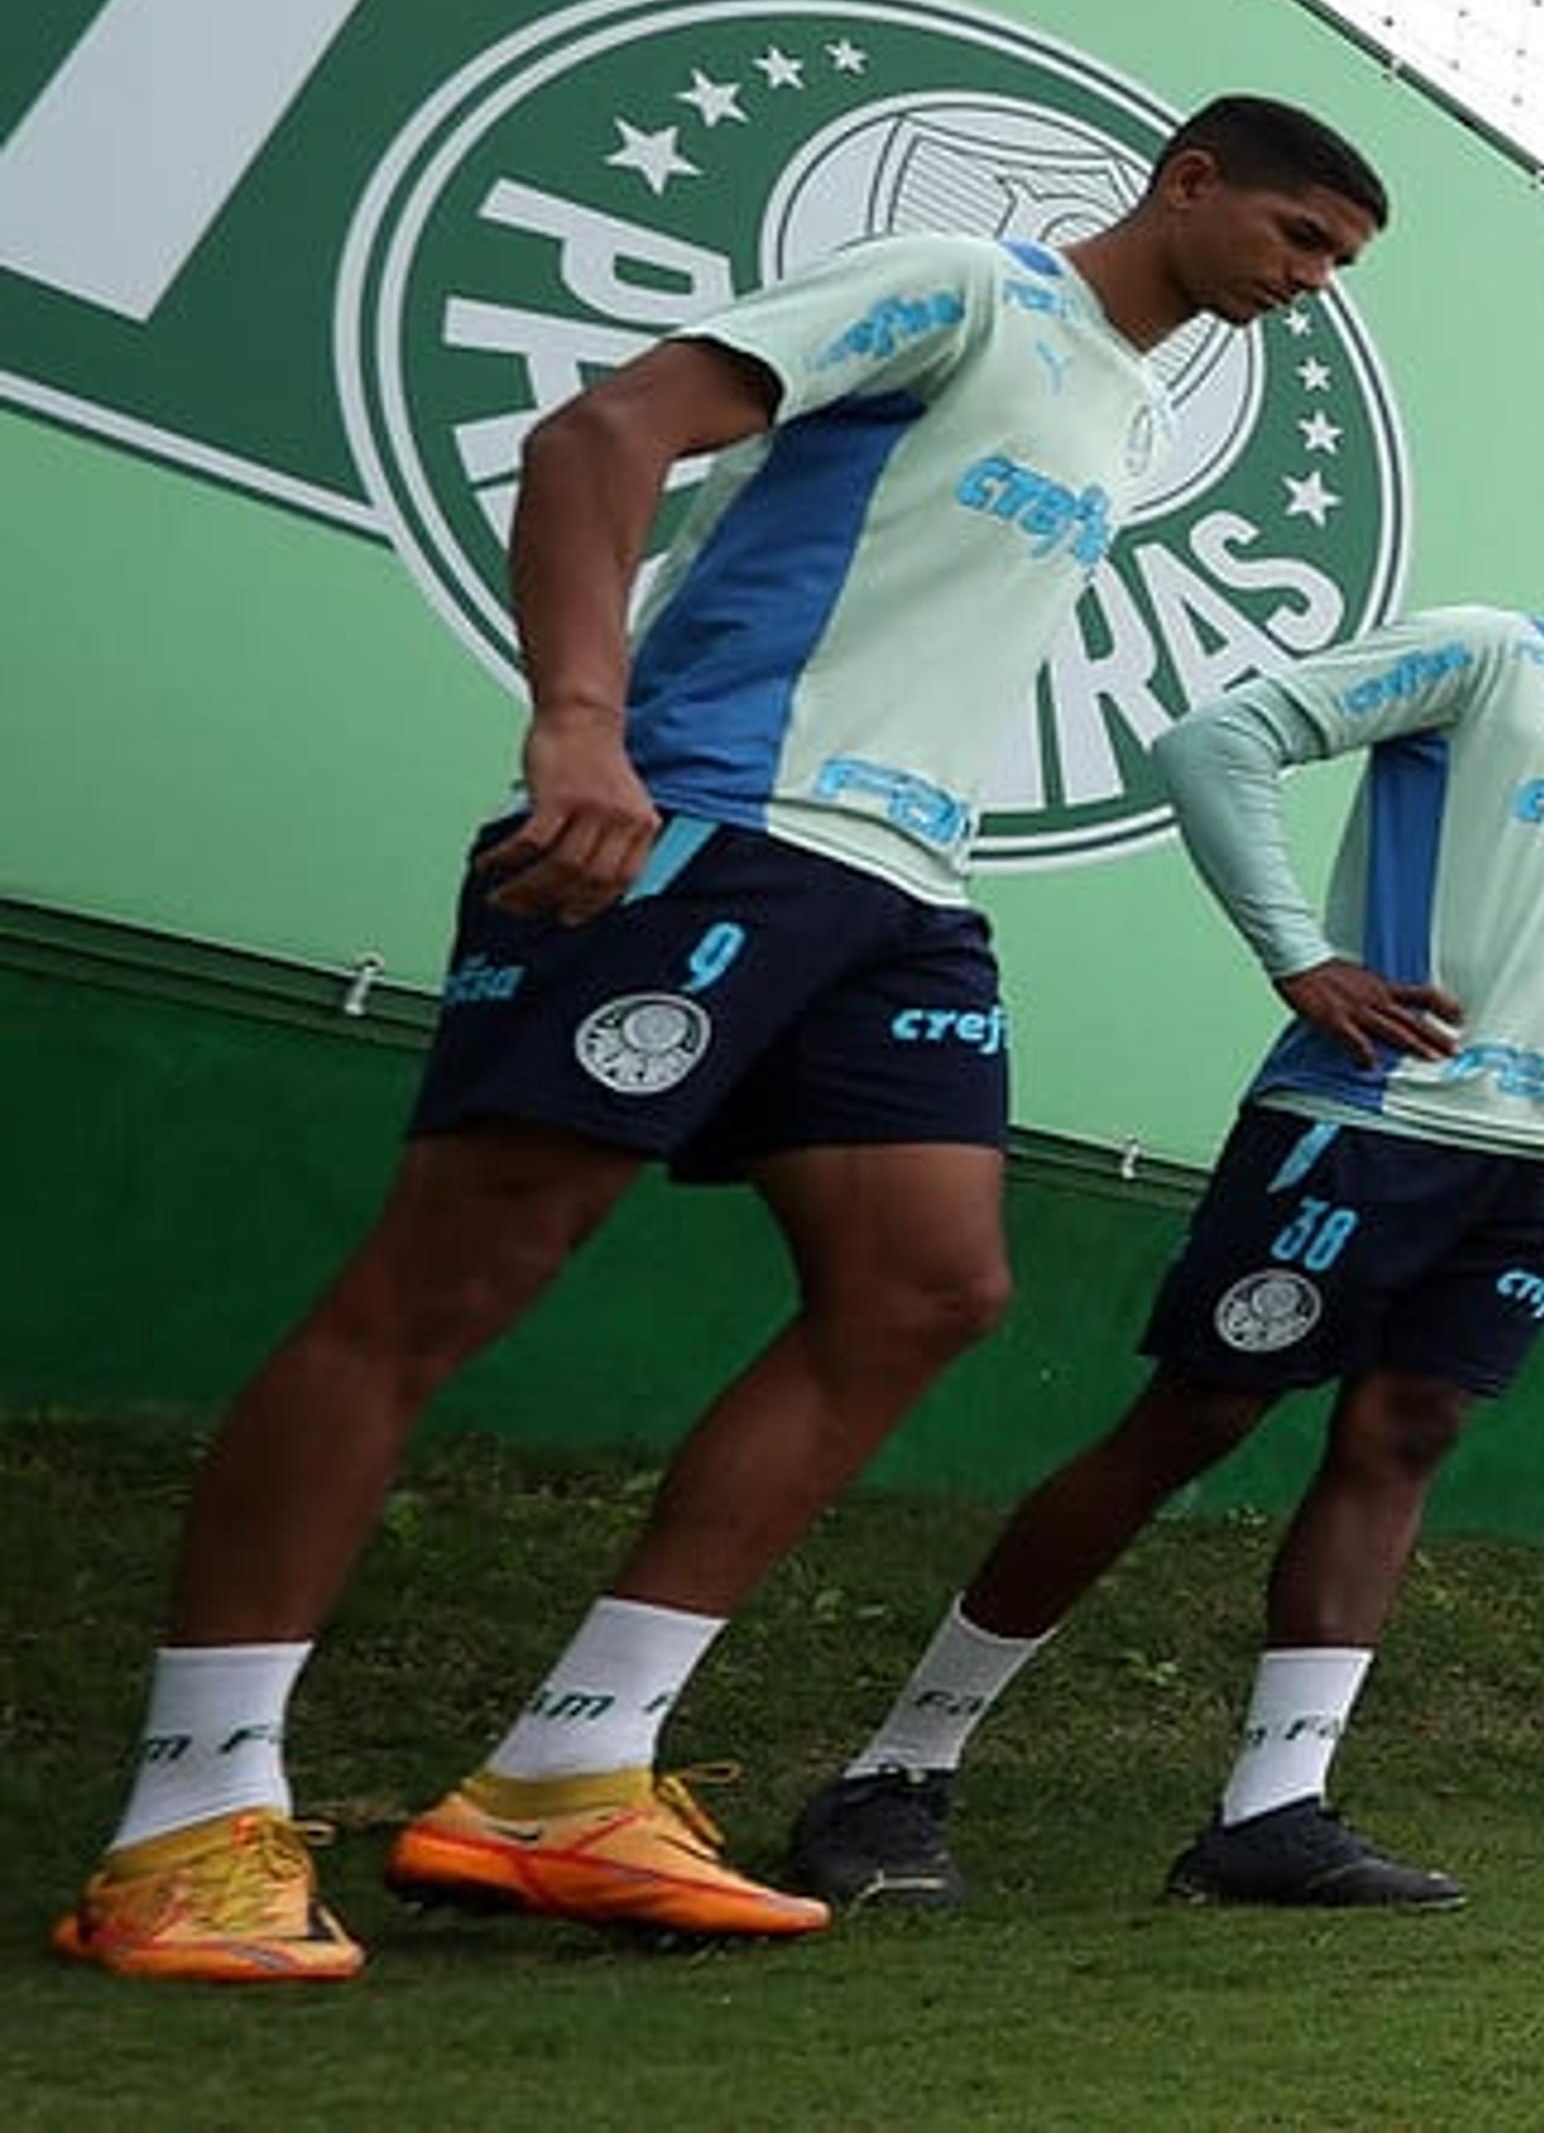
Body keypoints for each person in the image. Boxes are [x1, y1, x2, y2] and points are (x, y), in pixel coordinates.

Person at [49, 99, 1393, 1983]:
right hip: (710, 820)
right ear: (1188, 182)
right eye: (1298, 230)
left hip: (903, 886)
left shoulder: (1132, 407)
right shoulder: (959, 285)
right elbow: (605, 431)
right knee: (448, 1281)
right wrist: (577, 727)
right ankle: (187, 1810)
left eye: (1340, 260)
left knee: (928, 1291)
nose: (1307, 277)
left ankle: (567, 1775)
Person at [781, 502, 1544, 1909]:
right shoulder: (1489, 654)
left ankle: (1272, 1811)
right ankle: (899, 1767)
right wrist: (1302, 957)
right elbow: (1217, 742)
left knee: (1405, 1435)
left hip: (1542, 1152)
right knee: (1195, 1416)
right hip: (1364, 1121)